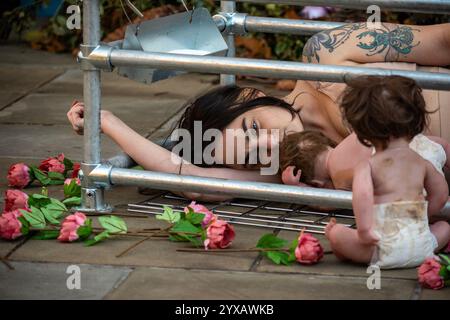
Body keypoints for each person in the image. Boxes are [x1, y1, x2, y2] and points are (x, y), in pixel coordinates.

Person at [67, 22, 450, 201]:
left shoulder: (326, 54)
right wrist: (106, 120)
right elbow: (186, 176)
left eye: (253, 126)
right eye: (254, 155)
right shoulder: (290, 168)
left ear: (251, 94)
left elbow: (443, 41)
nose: (273, 141)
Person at [323, 75, 450, 268]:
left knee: (337, 233)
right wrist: (424, 215)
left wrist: (364, 231)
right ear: (416, 119)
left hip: (382, 249)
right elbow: (441, 195)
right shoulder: (421, 162)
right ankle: (425, 248)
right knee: (444, 228)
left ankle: (349, 248)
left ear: (362, 129)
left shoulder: (368, 166)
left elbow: (363, 196)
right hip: (422, 247)